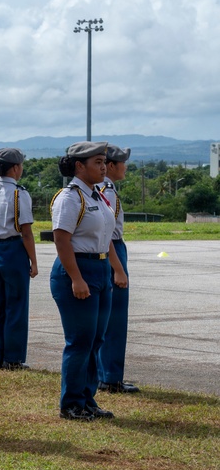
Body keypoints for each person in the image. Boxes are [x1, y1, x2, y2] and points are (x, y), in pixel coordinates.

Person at [49, 141, 127, 421]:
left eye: (105, 161)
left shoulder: (98, 196)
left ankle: (87, 398)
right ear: (79, 166)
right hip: (77, 270)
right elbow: (61, 239)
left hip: (100, 269)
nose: (104, 166)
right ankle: (71, 403)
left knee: (96, 339)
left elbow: (108, 239)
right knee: (80, 341)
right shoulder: (70, 198)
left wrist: (116, 269)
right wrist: (76, 278)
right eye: (97, 162)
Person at [0, 147, 38, 370]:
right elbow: (26, 232)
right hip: (13, 250)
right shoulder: (19, 194)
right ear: (15, 168)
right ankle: (13, 358)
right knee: (16, 305)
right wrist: (33, 260)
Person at [97, 144, 139, 394]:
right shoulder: (108, 191)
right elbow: (109, 235)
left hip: (106, 252)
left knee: (106, 318)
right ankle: (111, 377)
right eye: (122, 162)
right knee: (115, 320)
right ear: (110, 166)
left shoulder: (100, 189)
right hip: (113, 251)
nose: (125, 166)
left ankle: (105, 374)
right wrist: (118, 269)